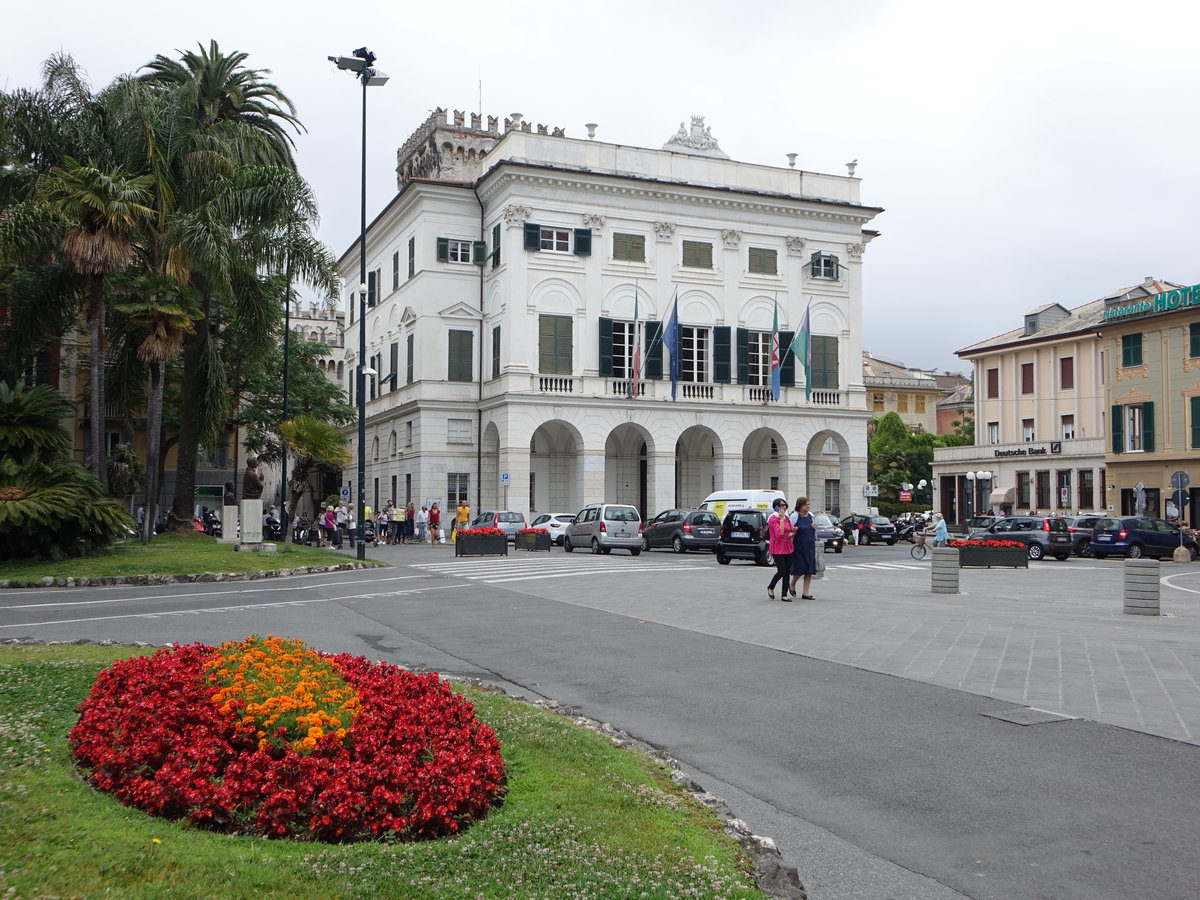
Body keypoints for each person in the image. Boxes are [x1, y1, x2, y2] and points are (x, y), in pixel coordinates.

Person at [788, 497, 818, 600]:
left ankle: (805, 593)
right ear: (800, 506)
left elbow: (814, 531)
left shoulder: (811, 516)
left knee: (808, 570)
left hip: (810, 546)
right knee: (799, 569)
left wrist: (815, 527)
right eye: (806, 505)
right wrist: (792, 530)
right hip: (798, 547)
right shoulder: (794, 516)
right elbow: (789, 530)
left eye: (808, 504)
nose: (808, 506)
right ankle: (792, 584)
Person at [766, 497, 795, 601]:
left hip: (788, 546)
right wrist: (781, 519)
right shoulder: (773, 519)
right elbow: (779, 533)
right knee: (781, 570)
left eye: (785, 505)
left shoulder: (787, 518)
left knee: (787, 571)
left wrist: (792, 532)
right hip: (777, 547)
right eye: (781, 505)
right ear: (776, 507)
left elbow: (789, 530)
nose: (784, 507)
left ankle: (784, 594)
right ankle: (771, 586)